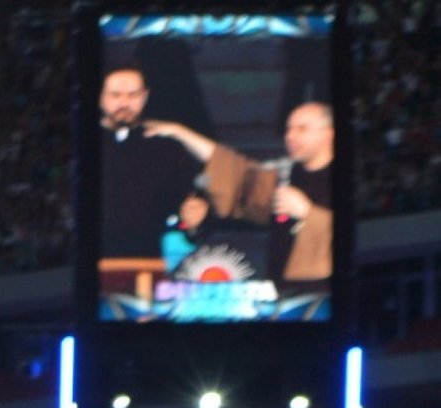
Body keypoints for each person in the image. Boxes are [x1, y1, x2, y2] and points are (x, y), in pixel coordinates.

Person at [141, 101, 335, 285]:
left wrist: (307, 213)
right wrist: (179, 132)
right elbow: (234, 171)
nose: (291, 136)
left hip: (325, 291)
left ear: (329, 134)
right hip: (281, 288)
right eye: (288, 129)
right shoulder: (287, 175)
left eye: (302, 129)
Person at [98, 66, 209, 259]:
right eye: (115, 95)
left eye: (133, 95)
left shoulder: (168, 147)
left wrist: (195, 213)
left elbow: (191, 201)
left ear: (145, 96)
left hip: (149, 259)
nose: (124, 103)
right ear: (101, 97)